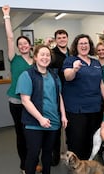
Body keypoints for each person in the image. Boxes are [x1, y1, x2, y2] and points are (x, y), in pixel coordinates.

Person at [16, 45, 68, 174]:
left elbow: (59, 95)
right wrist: (40, 118)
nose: (45, 57)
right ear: (35, 57)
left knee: (48, 153)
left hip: (53, 122)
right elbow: (25, 100)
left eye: (48, 55)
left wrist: (63, 115)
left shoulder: (54, 75)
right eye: (42, 55)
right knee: (32, 155)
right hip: (34, 123)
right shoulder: (27, 75)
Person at [2, 5, 38, 174]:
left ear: (31, 46)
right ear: (18, 47)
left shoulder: (36, 62)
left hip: (32, 102)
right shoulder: (14, 59)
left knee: (33, 133)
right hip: (16, 102)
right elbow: (10, 37)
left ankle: (34, 162)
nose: (23, 45)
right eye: (20, 44)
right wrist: (7, 16)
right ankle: (24, 165)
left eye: (26, 43)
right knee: (21, 133)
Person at [62, 34, 104, 160]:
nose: (84, 46)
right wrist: (74, 70)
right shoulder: (70, 60)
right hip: (77, 109)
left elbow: (101, 82)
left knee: (92, 138)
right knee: (77, 139)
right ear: (76, 46)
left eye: (86, 43)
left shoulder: (96, 62)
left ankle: (89, 166)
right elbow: (67, 77)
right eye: (81, 43)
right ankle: (76, 169)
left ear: (90, 46)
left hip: (94, 107)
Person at [45, 29, 70, 166]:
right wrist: (46, 46)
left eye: (64, 37)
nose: (62, 39)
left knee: (69, 126)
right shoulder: (52, 54)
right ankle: (54, 156)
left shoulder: (72, 53)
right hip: (57, 95)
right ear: (56, 39)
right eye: (59, 37)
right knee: (56, 126)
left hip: (72, 95)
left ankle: (69, 153)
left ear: (67, 38)